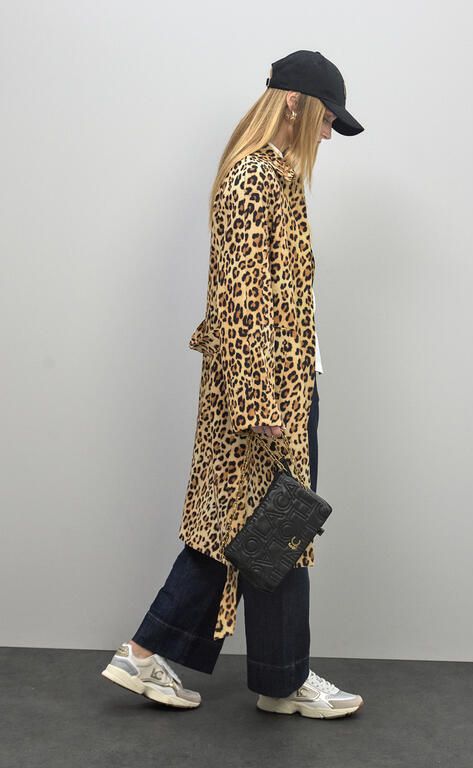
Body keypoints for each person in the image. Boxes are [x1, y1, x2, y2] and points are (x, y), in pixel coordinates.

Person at [102, 50, 365, 719]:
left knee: (262, 530)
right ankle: (267, 678)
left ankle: (238, 671)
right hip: (264, 394)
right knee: (272, 527)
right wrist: (259, 402)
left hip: (284, 384)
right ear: (293, 102)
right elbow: (239, 300)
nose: (329, 133)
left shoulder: (274, 175)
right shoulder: (253, 178)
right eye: (327, 118)